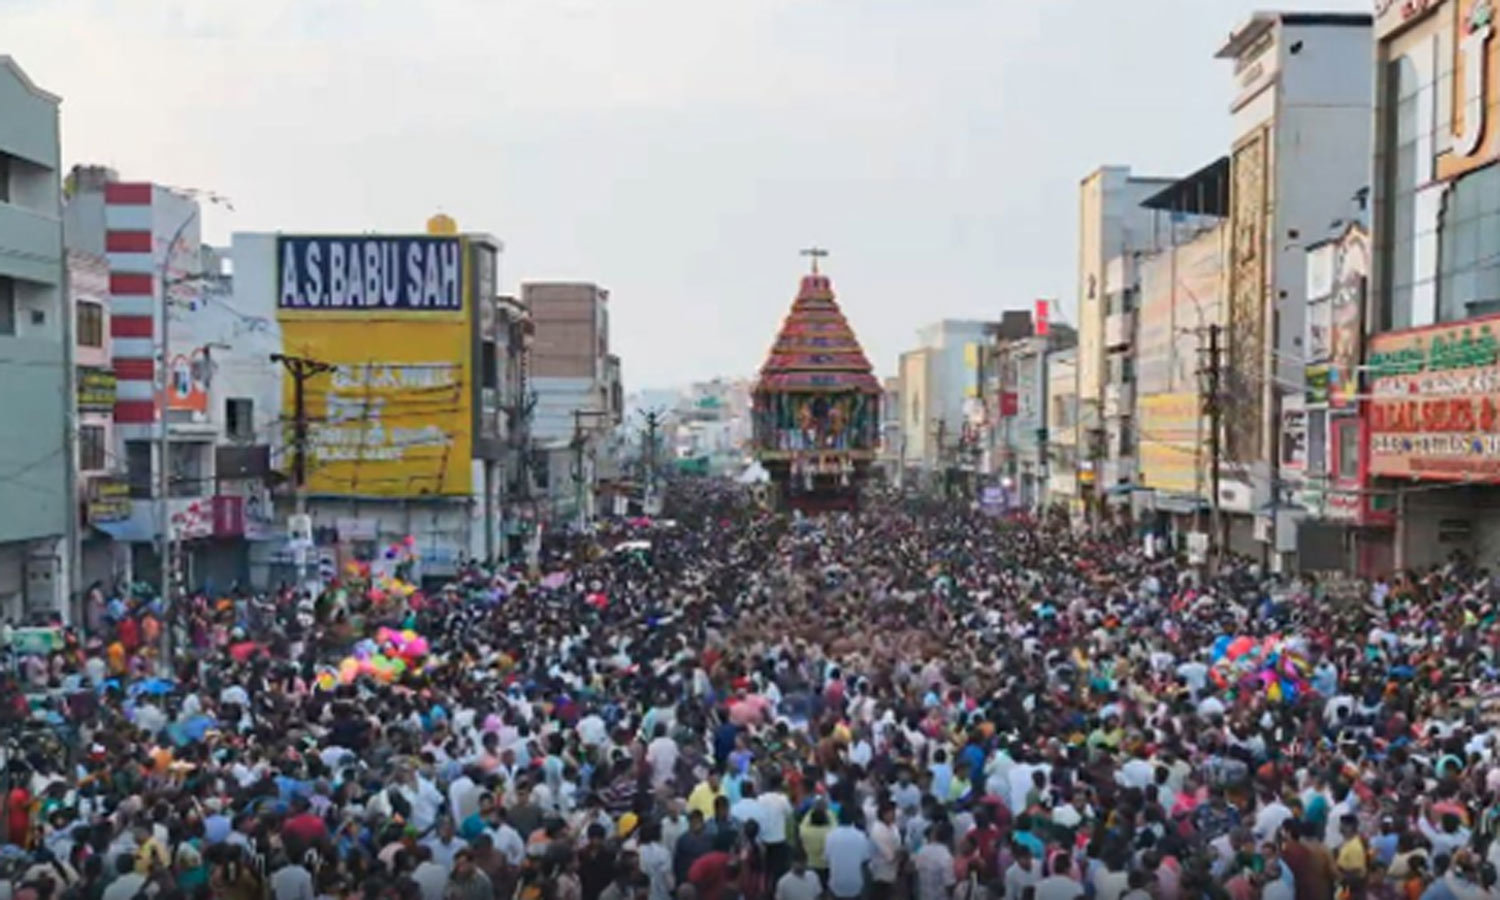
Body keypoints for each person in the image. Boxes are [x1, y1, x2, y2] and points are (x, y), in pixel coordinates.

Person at [824, 809, 870, 900]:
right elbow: (865, 859)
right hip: (855, 884)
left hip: (836, 883)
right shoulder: (861, 836)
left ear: (838, 819)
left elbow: (827, 858)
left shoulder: (830, 836)